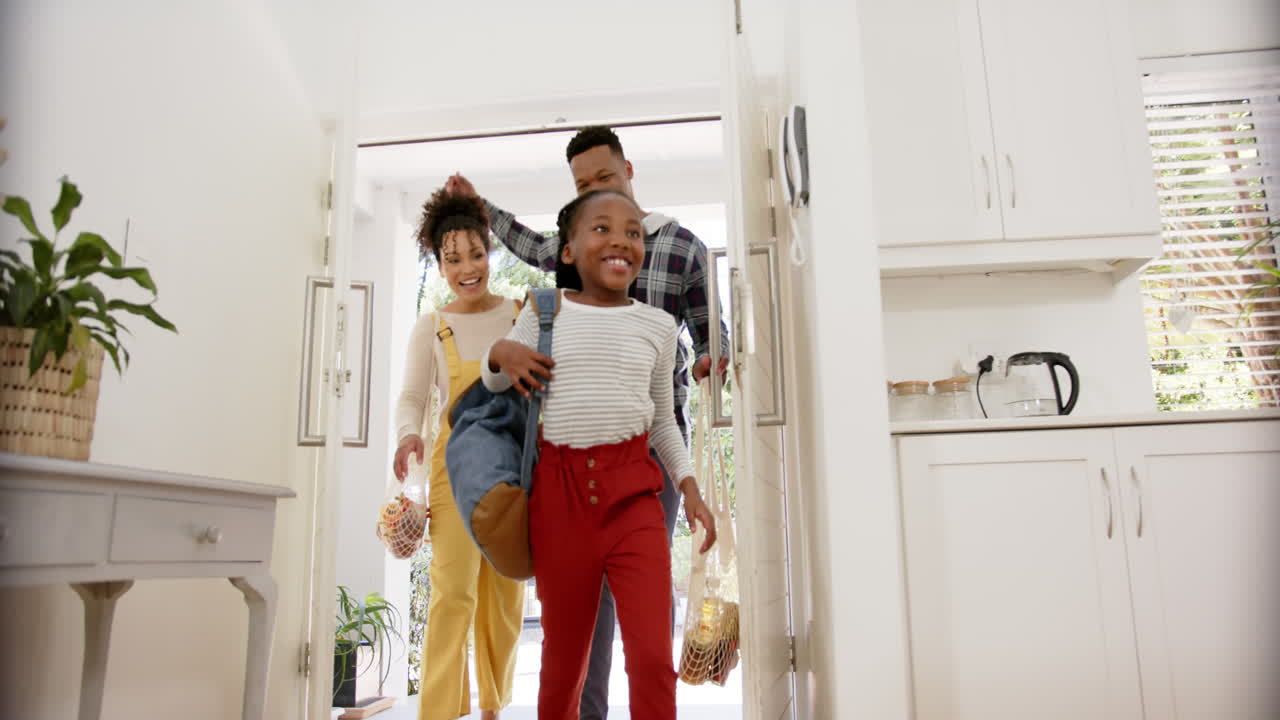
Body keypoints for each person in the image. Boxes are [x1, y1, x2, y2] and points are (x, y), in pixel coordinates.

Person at [448, 125, 730, 717]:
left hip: (642, 466)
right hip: (563, 485)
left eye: (605, 180)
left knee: (649, 643)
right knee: (573, 650)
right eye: (585, 192)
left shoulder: (681, 250)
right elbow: (521, 267)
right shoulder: (553, 293)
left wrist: (712, 362)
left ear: (629, 170)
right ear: (573, 246)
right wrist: (501, 352)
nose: (615, 237)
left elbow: (709, 341)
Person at [392, 188, 525, 720]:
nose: (468, 268)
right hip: (452, 475)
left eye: (476, 254)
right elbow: (412, 398)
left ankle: (494, 707)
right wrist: (407, 434)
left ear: (489, 251)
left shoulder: (520, 314)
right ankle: (440, 711)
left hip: (513, 473)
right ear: (438, 263)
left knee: (505, 597)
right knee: (453, 592)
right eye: (453, 259)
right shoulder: (432, 326)